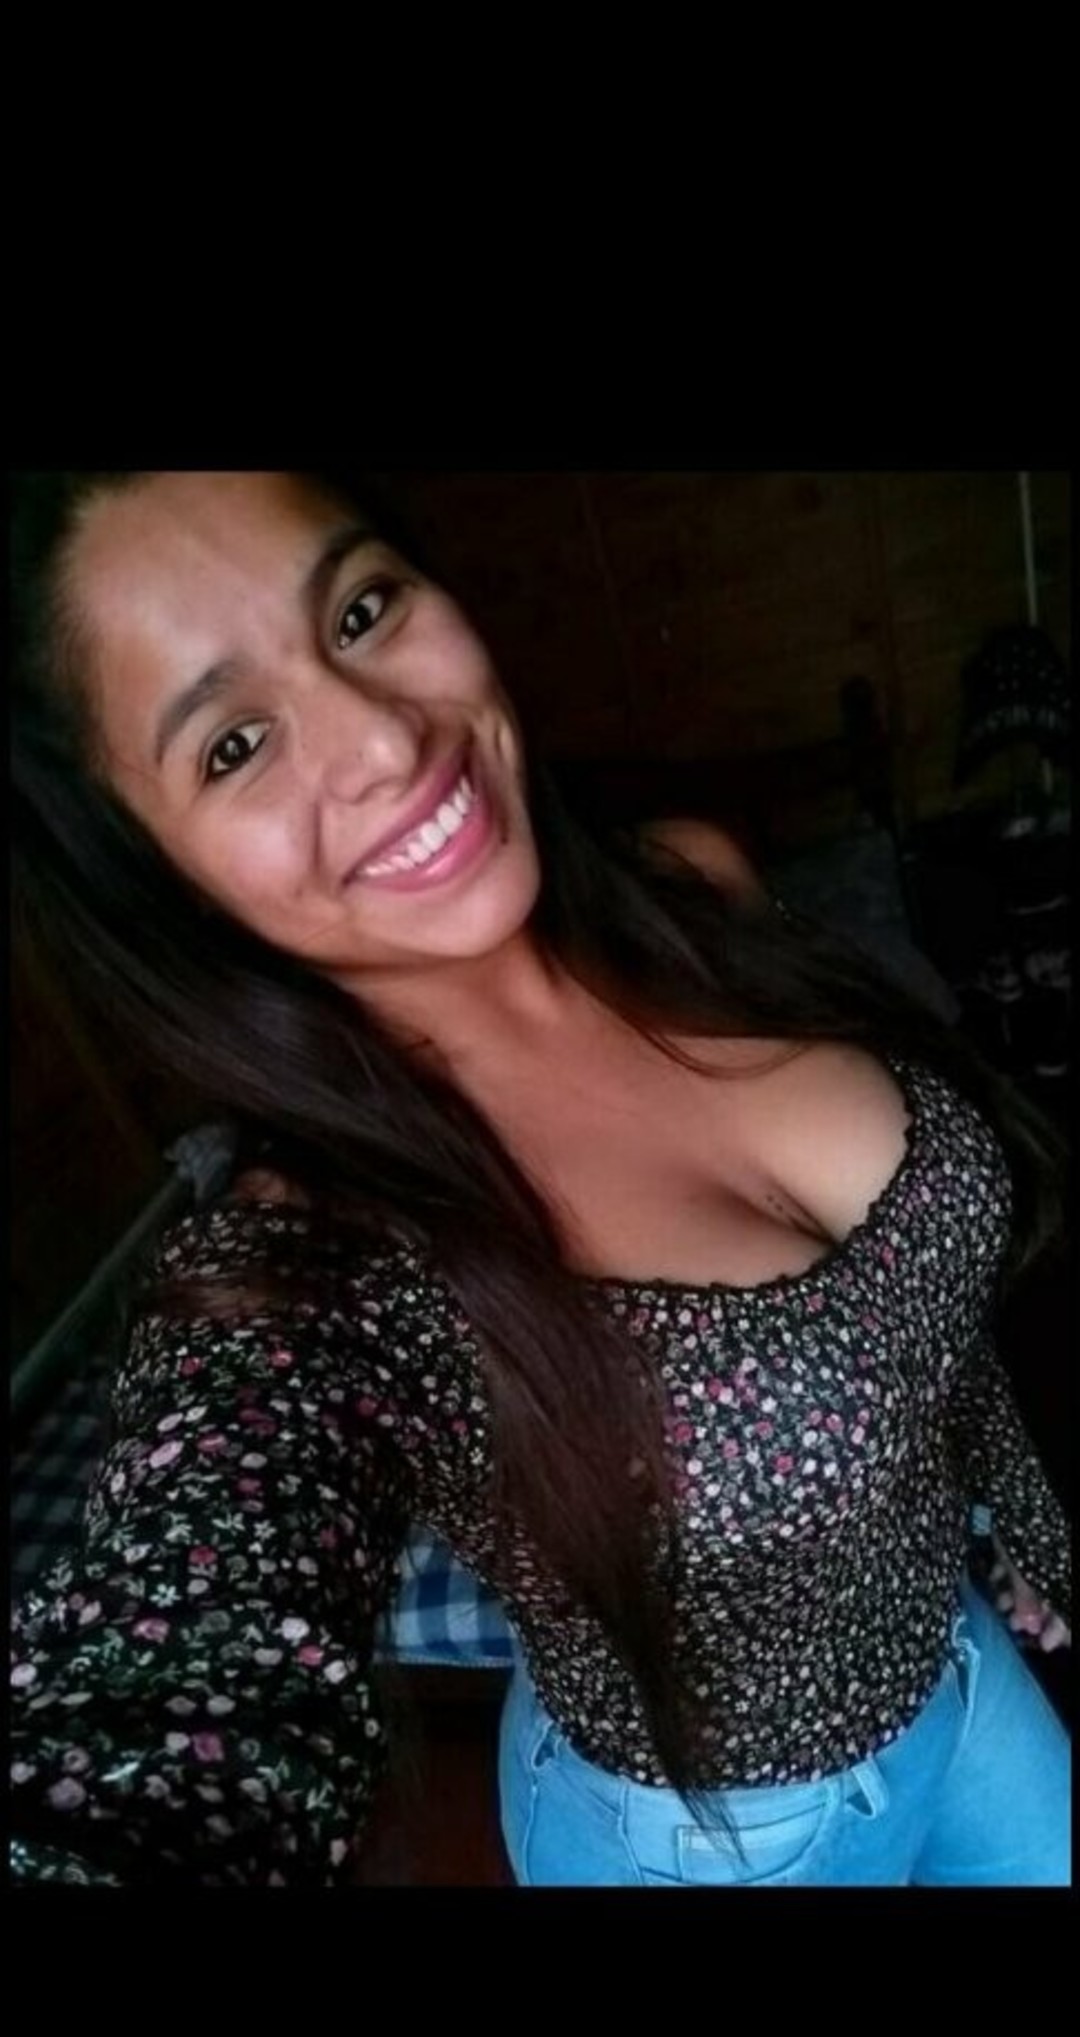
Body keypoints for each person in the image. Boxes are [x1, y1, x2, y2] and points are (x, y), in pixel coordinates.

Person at [9, 469, 1071, 1888]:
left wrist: (1031, 1525)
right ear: (154, 880)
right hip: (719, 1844)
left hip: (965, 1669)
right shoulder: (313, 1255)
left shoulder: (688, 885)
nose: (387, 738)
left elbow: (921, 1310)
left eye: (362, 610)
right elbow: (178, 1647)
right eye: (235, 744)